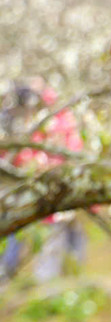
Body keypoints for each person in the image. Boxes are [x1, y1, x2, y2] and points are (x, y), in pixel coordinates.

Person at [0, 79, 87, 283]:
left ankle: (54, 279)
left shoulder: (55, 120)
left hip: (53, 186)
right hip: (26, 187)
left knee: (63, 235)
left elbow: (70, 149)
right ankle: (33, 278)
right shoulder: (13, 121)